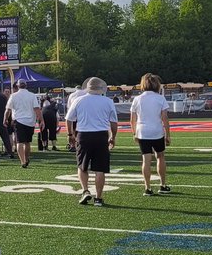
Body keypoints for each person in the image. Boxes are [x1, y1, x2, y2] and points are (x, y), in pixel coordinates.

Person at [65, 77, 119, 207]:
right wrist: (113, 136)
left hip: (83, 135)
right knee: (100, 169)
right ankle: (98, 198)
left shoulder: (79, 100)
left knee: (82, 166)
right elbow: (114, 122)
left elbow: (69, 119)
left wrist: (70, 134)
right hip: (101, 135)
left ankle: (85, 190)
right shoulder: (107, 101)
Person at [129, 73, 172, 196]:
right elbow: (165, 118)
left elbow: (132, 119)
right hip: (157, 131)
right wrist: (168, 135)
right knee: (160, 157)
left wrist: (134, 133)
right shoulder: (160, 98)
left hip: (142, 132)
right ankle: (162, 185)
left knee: (146, 160)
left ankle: (147, 188)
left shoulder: (137, 99)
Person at [4, 79, 41, 168]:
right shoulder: (32, 95)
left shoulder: (13, 96)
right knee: (27, 142)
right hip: (30, 121)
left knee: (19, 142)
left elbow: (8, 109)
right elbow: (37, 109)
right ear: (26, 85)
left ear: (17, 86)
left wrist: (5, 119)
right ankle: (26, 158)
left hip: (19, 120)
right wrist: (41, 120)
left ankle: (23, 161)